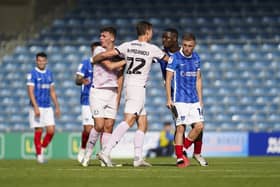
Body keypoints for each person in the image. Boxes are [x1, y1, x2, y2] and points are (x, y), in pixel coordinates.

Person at [94, 21, 169, 167]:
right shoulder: (152, 49)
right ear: (147, 32)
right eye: (151, 31)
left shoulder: (127, 45)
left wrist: (95, 58)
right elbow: (169, 60)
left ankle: (137, 158)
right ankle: (105, 151)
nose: (152, 34)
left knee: (143, 123)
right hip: (138, 88)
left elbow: (109, 54)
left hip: (130, 85)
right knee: (129, 120)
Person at [159, 28, 208, 167]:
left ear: (194, 45)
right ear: (182, 44)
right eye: (185, 45)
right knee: (180, 128)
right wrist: (168, 98)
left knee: (199, 127)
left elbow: (198, 79)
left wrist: (201, 99)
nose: (187, 48)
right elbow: (168, 80)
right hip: (179, 99)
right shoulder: (175, 58)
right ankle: (180, 157)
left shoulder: (196, 58)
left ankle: (184, 149)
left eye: (190, 46)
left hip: (194, 99)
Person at [81, 27, 125, 167]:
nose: (101, 38)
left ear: (112, 38)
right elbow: (111, 66)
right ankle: (87, 154)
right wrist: (127, 60)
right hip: (98, 92)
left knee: (109, 127)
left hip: (112, 92)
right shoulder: (99, 50)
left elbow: (120, 76)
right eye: (100, 35)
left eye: (104, 35)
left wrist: (118, 96)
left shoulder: (119, 52)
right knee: (99, 125)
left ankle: (105, 158)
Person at [26, 52, 61, 163]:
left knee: (51, 131)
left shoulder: (49, 74)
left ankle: (40, 148)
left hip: (47, 106)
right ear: (36, 61)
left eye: (43, 60)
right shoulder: (32, 74)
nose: (41, 62)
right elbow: (30, 91)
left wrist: (57, 106)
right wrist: (35, 107)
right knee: (39, 130)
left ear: (46, 61)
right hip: (37, 106)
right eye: (39, 60)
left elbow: (52, 91)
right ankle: (39, 156)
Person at [76, 41, 101, 163]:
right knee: (88, 129)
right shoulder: (85, 64)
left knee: (99, 127)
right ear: (92, 51)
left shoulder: (104, 64)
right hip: (87, 99)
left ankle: (97, 153)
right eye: (95, 50)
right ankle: (82, 148)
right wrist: (82, 80)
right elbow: (77, 79)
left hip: (100, 99)